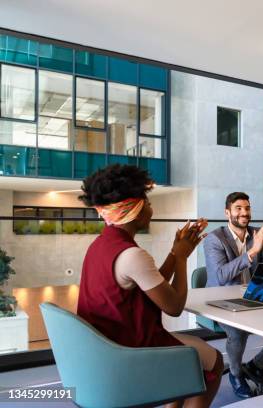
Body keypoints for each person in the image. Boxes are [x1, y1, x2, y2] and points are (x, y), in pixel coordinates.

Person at [77, 164, 223, 408]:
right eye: (147, 201)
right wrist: (182, 258)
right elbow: (174, 306)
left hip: (107, 346)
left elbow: (152, 283)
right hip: (132, 350)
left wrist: (175, 252)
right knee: (214, 361)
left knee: (187, 364)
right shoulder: (132, 255)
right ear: (133, 209)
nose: (150, 207)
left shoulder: (101, 245)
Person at [203, 192, 263, 398]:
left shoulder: (257, 234)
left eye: (247, 208)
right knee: (236, 332)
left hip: (253, 296)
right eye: (239, 208)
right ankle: (235, 374)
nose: (244, 213)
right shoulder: (215, 239)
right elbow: (221, 276)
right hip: (219, 299)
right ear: (227, 213)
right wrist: (251, 253)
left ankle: (255, 365)